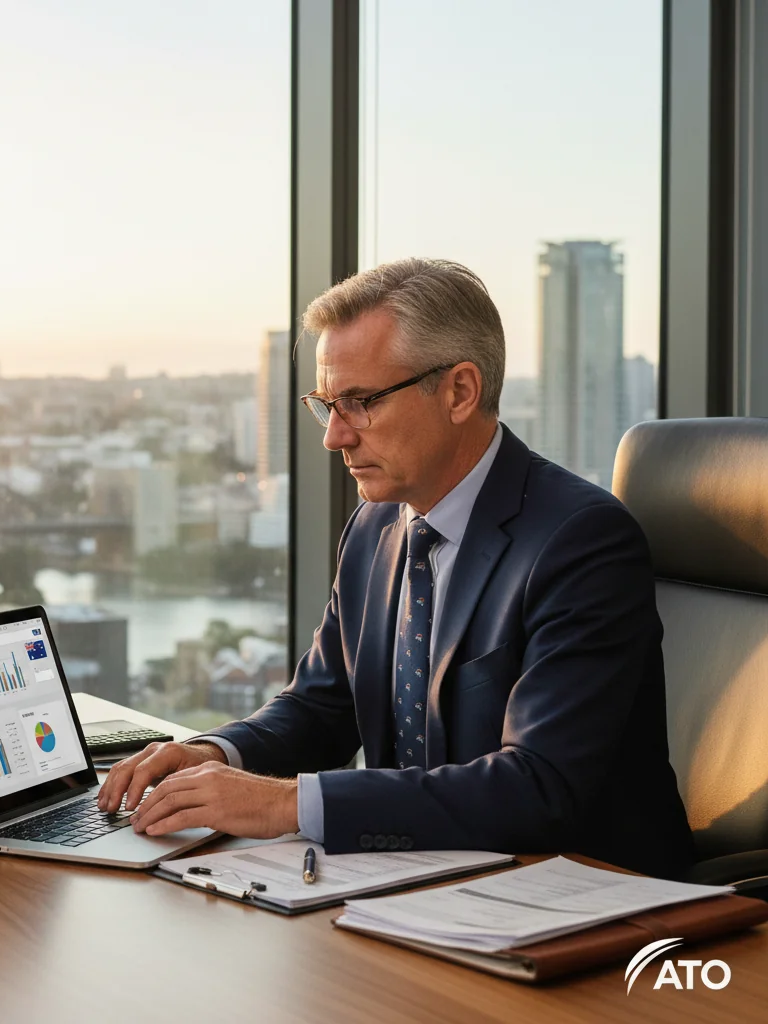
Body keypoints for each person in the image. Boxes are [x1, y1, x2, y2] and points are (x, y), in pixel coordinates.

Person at [98, 258, 694, 879]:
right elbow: (322, 708)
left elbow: (538, 787)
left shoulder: (580, 540)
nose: (334, 437)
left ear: (459, 391)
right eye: (326, 404)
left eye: (359, 403)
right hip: (417, 883)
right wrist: (211, 752)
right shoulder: (375, 528)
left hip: (583, 900)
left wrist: (284, 803)